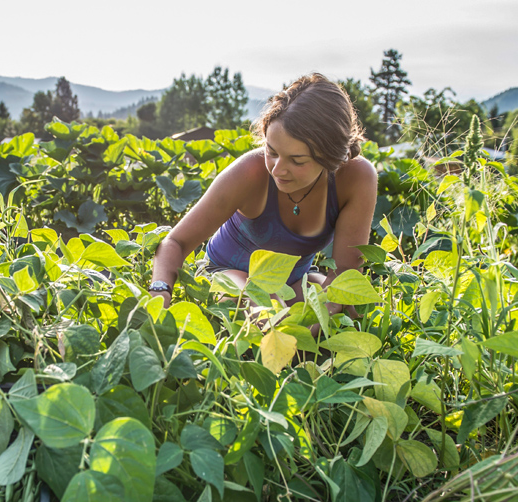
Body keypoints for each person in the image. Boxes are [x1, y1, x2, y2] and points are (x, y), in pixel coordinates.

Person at [147, 73, 377, 329]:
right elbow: (175, 242)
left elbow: (344, 274)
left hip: (292, 283)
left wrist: (323, 318)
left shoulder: (357, 178)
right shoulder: (250, 172)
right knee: (268, 310)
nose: (277, 169)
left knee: (343, 314)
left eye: (297, 160)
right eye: (272, 151)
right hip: (226, 274)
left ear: (332, 158)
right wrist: (160, 291)